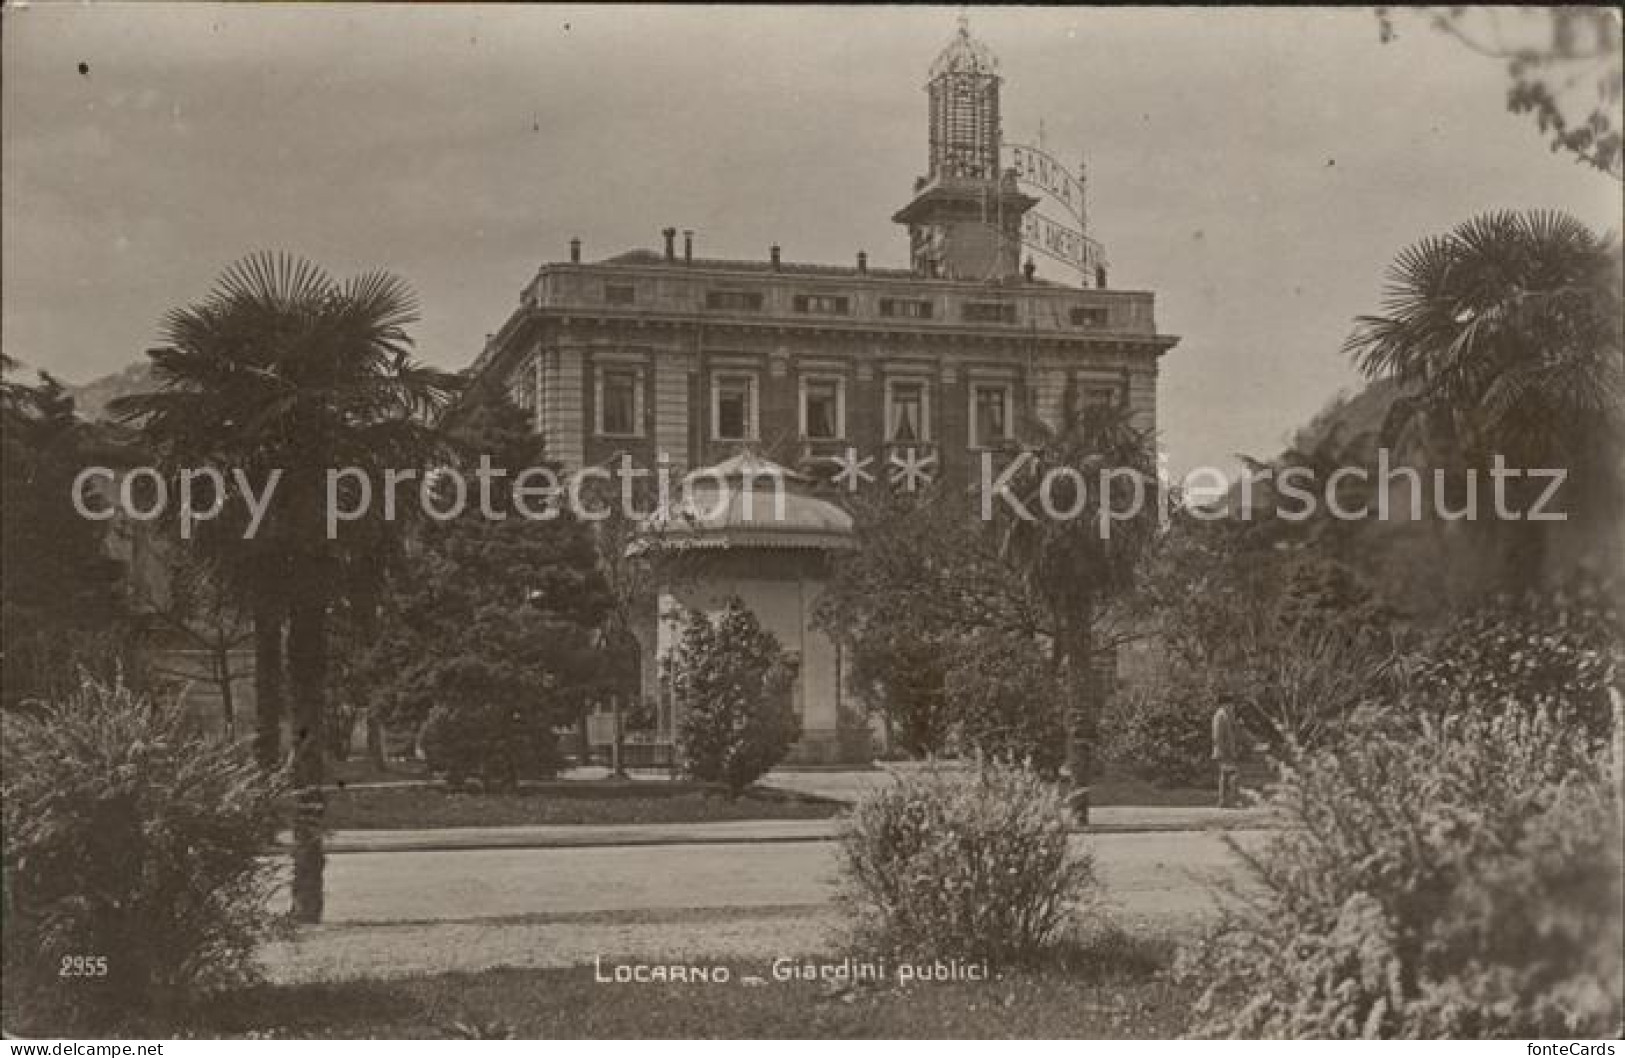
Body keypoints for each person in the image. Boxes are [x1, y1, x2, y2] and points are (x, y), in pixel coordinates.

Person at [1211, 697, 1240, 809]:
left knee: (1225, 775)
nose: (1232, 707)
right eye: (1230, 704)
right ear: (1225, 704)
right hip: (1224, 751)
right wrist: (1223, 750)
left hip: (1226, 750)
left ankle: (1223, 801)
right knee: (1233, 774)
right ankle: (1231, 800)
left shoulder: (1226, 715)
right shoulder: (1220, 716)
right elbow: (1217, 735)